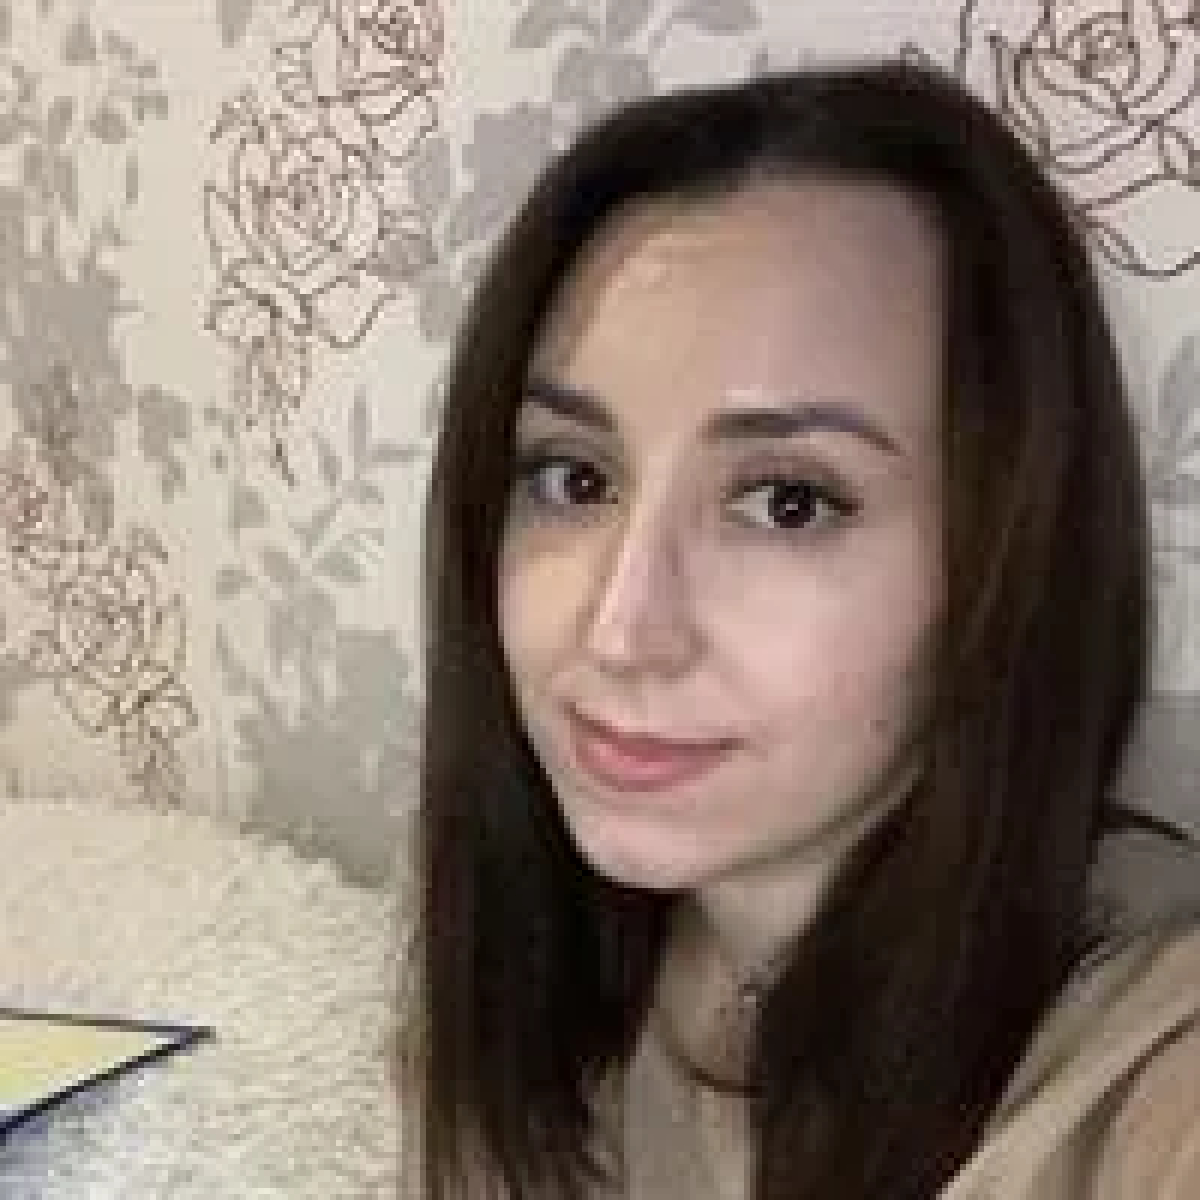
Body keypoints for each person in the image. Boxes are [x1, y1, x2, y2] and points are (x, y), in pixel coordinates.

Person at [398, 58, 1200, 1198]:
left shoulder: (1148, 1080)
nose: (621, 632)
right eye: (574, 478)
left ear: (1010, 555)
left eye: (788, 502)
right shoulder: (531, 962)